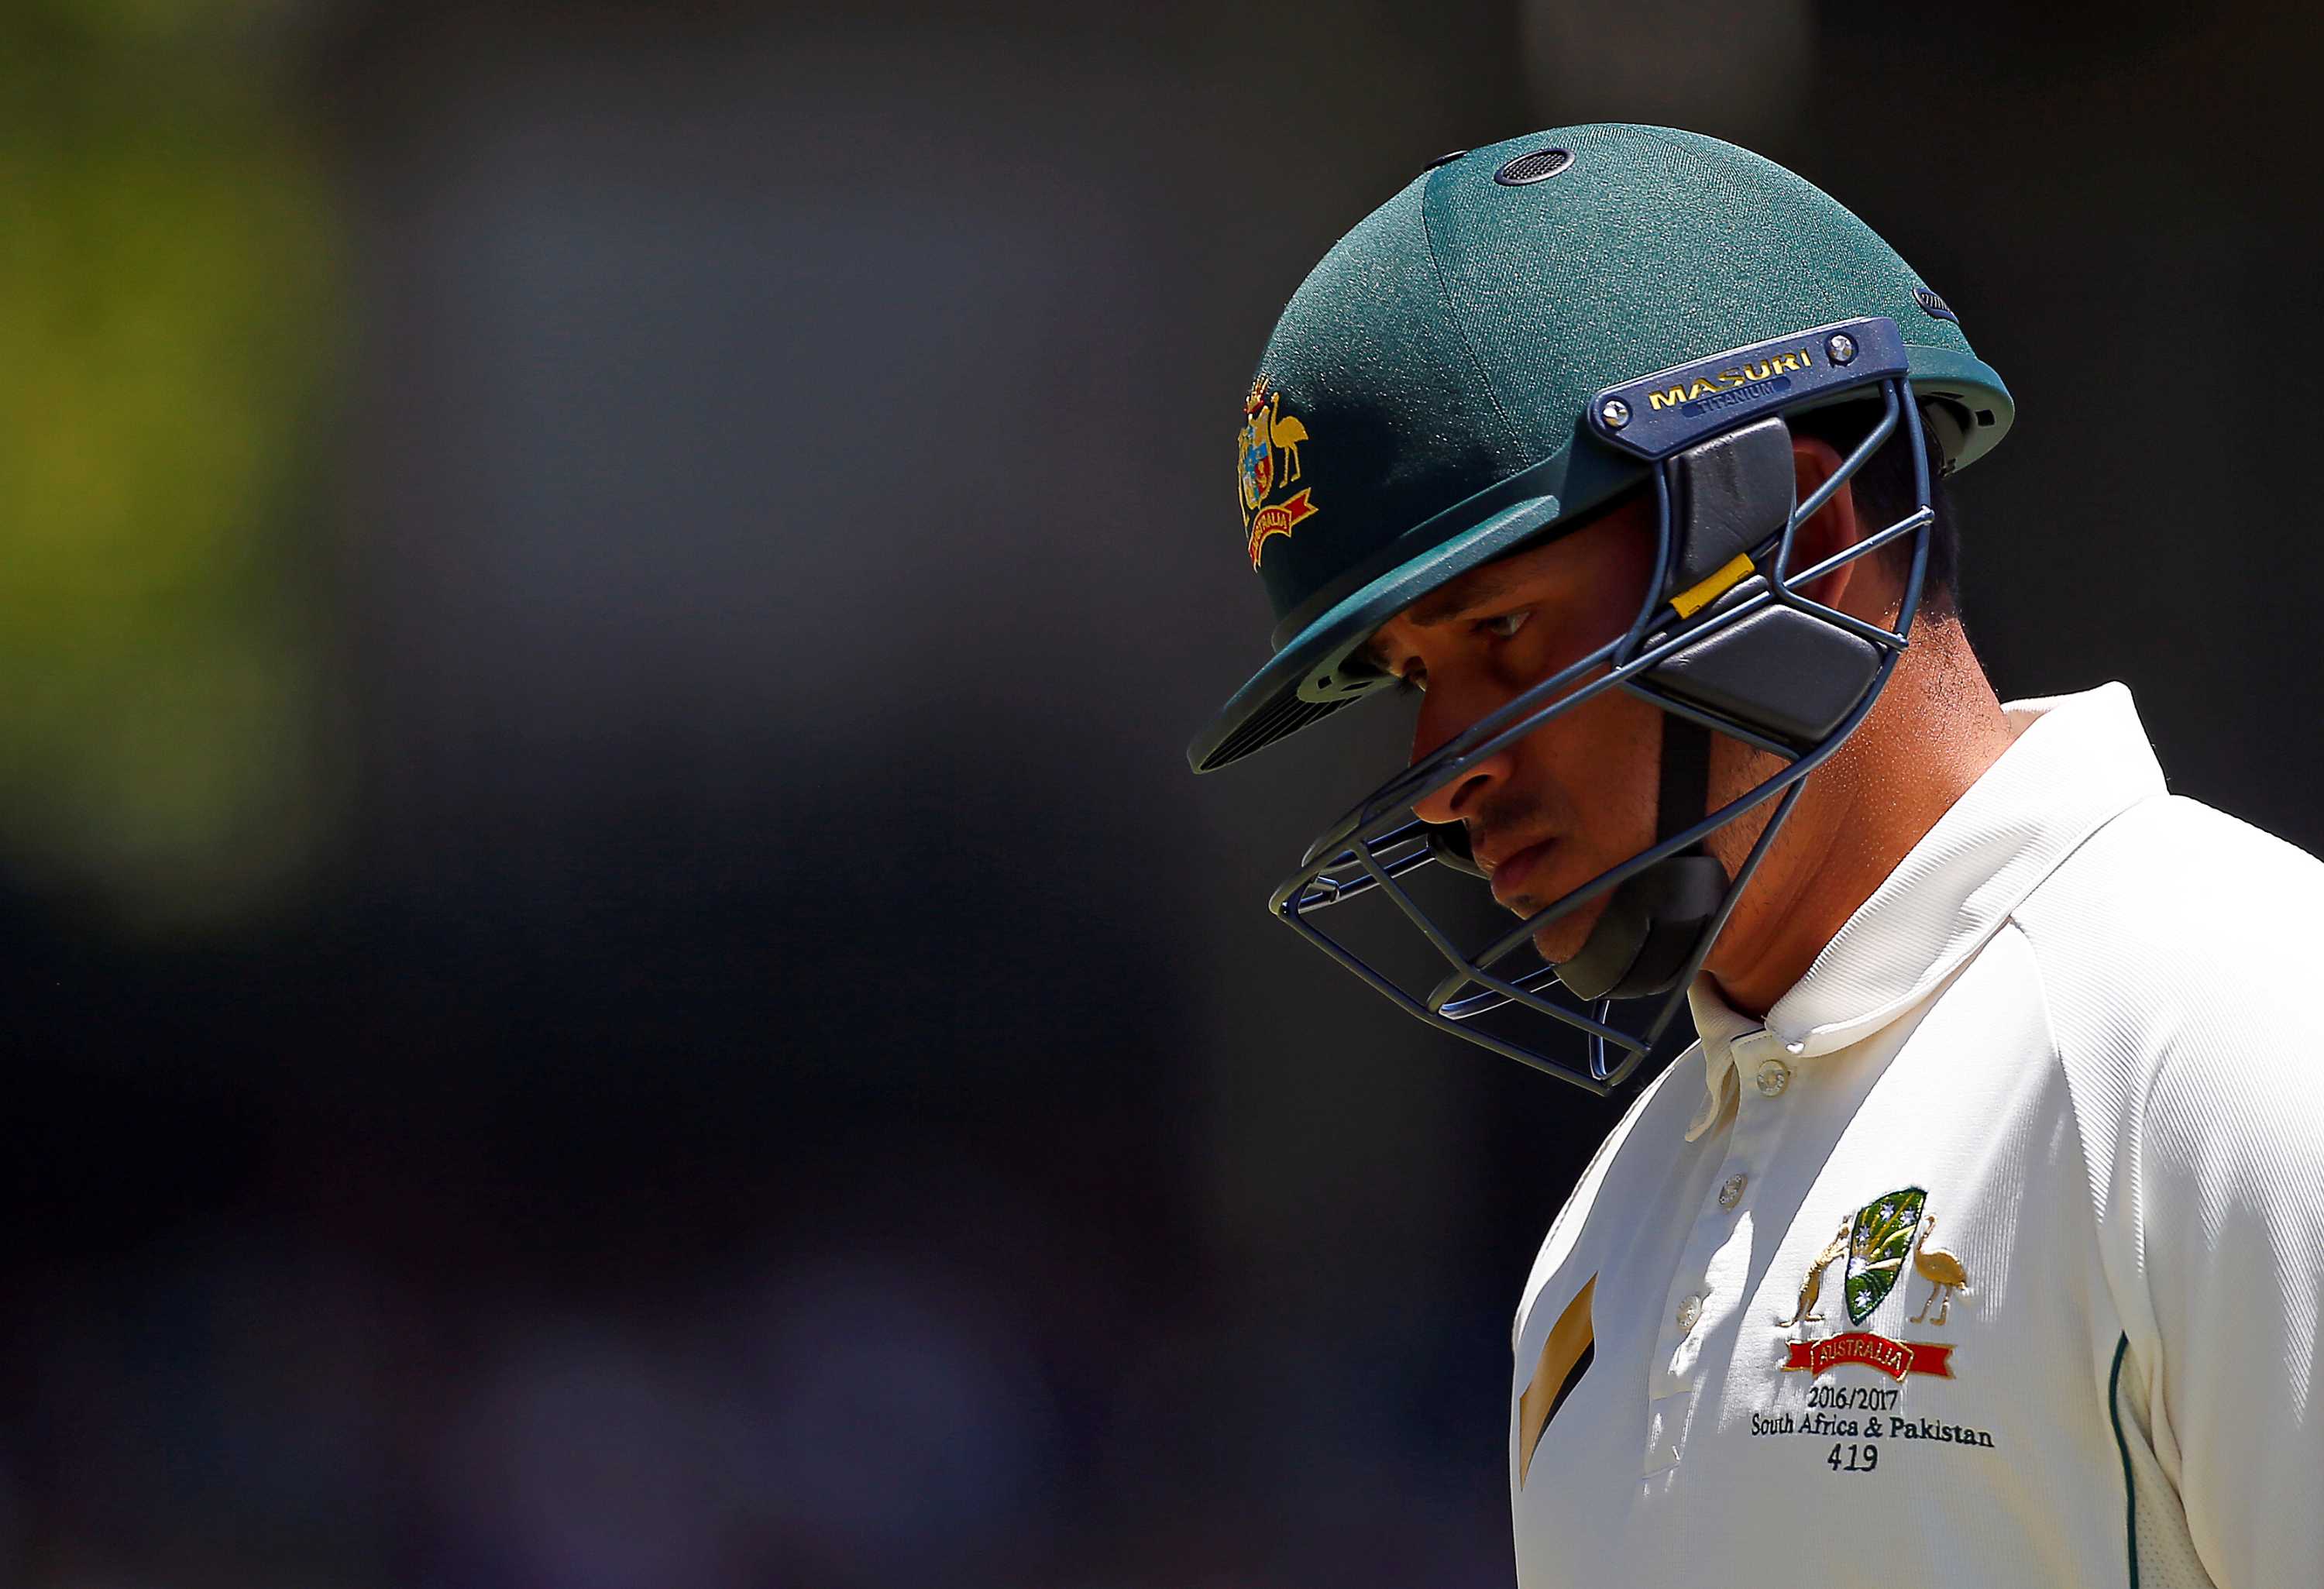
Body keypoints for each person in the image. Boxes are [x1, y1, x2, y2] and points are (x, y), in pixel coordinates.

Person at [1184, 123, 2324, 1587]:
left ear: (1798, 530)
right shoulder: (1612, 1229)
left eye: (1500, 630)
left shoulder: (2232, 1038)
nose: (1443, 774)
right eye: (1412, 678)